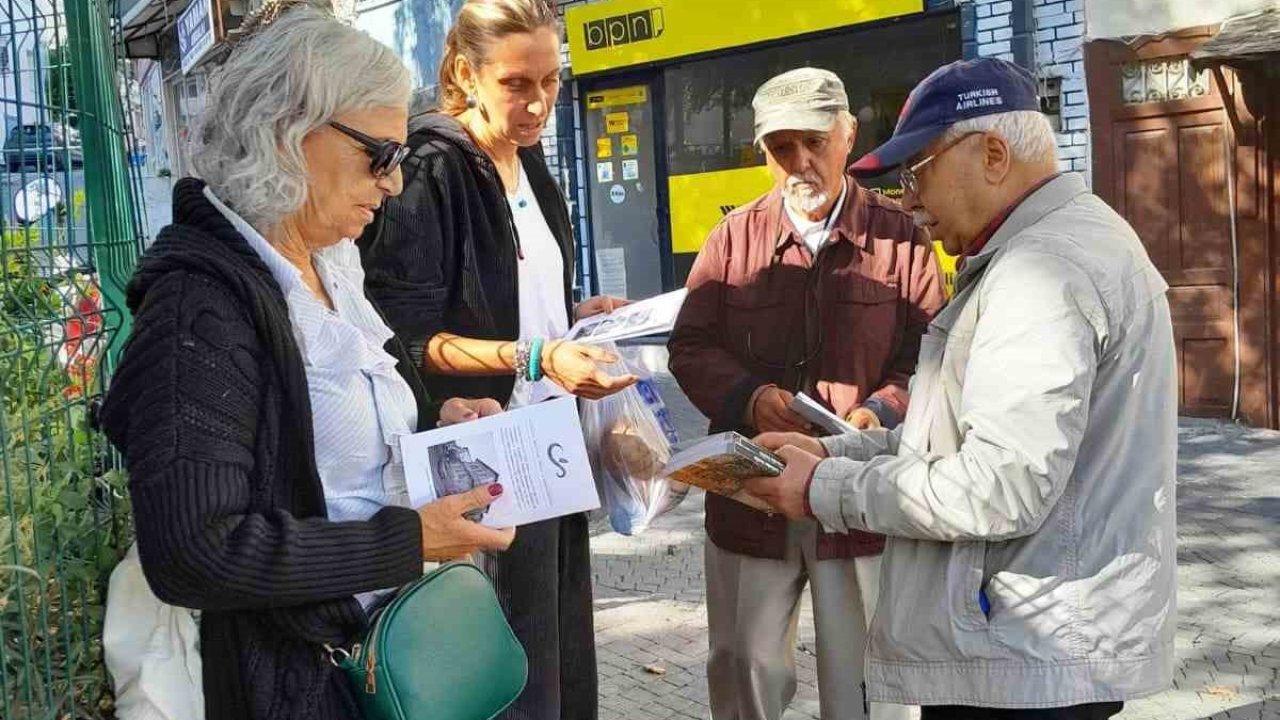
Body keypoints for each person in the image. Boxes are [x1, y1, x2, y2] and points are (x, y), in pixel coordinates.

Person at [99, 6, 515, 719]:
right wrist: (407, 541)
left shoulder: (331, 265)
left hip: (387, 652)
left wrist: (432, 430)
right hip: (304, 684)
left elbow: (329, 458)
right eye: (381, 154)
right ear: (286, 130)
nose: (393, 183)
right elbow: (194, 551)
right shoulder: (199, 310)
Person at [744, 58, 1177, 720]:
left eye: (917, 172)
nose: (909, 202)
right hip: (1025, 645)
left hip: (1027, 654)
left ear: (993, 155)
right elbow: (959, 437)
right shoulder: (1043, 247)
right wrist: (833, 453)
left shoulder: (1043, 272)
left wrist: (822, 488)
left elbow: (1000, 485)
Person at [356, 2, 632, 717]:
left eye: (551, 80)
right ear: (464, 74)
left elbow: (510, 299)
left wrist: (576, 319)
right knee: (506, 673)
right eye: (516, 84)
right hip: (482, 460)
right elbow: (402, 339)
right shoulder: (427, 170)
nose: (538, 104)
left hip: (550, 452)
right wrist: (536, 356)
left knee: (558, 658)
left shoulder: (530, 162)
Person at [668, 67, 946, 720]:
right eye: (780, 147)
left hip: (860, 497)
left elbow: (931, 358)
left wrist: (877, 413)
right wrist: (750, 397)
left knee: (870, 687)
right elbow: (690, 346)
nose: (799, 162)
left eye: (814, 142)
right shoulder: (732, 238)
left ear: (848, 135)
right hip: (753, 497)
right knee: (744, 673)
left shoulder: (900, 237)